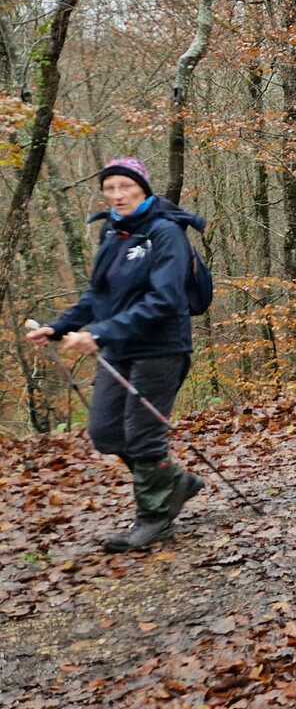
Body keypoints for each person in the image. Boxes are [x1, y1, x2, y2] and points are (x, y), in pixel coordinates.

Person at [24, 158, 207, 553]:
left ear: (143, 188)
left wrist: (98, 332)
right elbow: (97, 295)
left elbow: (165, 300)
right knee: (106, 432)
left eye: (126, 186)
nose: (118, 195)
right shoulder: (113, 231)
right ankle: (174, 482)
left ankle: (155, 517)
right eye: (110, 188)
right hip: (118, 347)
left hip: (160, 348)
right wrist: (58, 327)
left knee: (143, 436)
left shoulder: (165, 233)